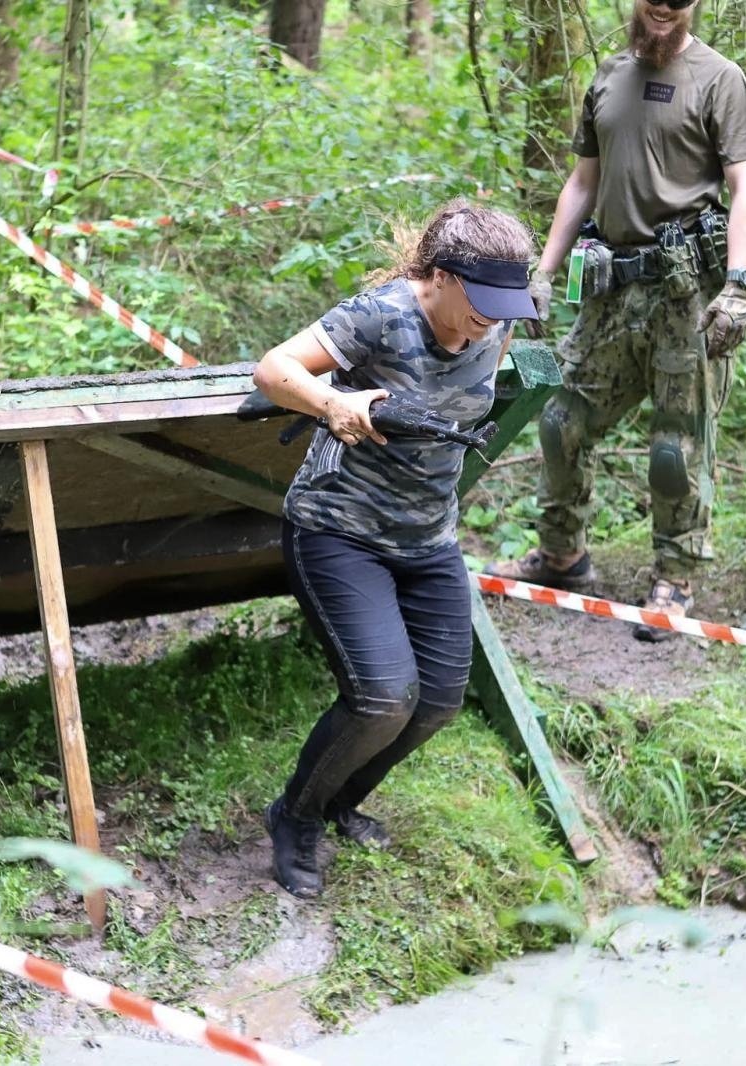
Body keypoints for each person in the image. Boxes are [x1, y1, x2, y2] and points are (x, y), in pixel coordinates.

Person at [252, 201, 539, 898]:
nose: (493, 322)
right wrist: (331, 404)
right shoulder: (382, 315)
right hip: (339, 530)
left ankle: (339, 799)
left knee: (437, 700)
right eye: (482, 304)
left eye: (506, 307)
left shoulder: (492, 324)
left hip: (428, 539)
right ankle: (294, 817)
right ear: (438, 276)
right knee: (383, 696)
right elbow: (272, 368)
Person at [486, 0, 746, 642]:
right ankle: (563, 555)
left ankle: (675, 577)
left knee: (675, 449)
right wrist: (544, 270)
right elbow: (582, 183)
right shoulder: (608, 76)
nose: (666, 6)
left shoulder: (720, 79)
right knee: (561, 422)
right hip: (609, 292)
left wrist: (739, 285)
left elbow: (744, 186)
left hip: (684, 299)